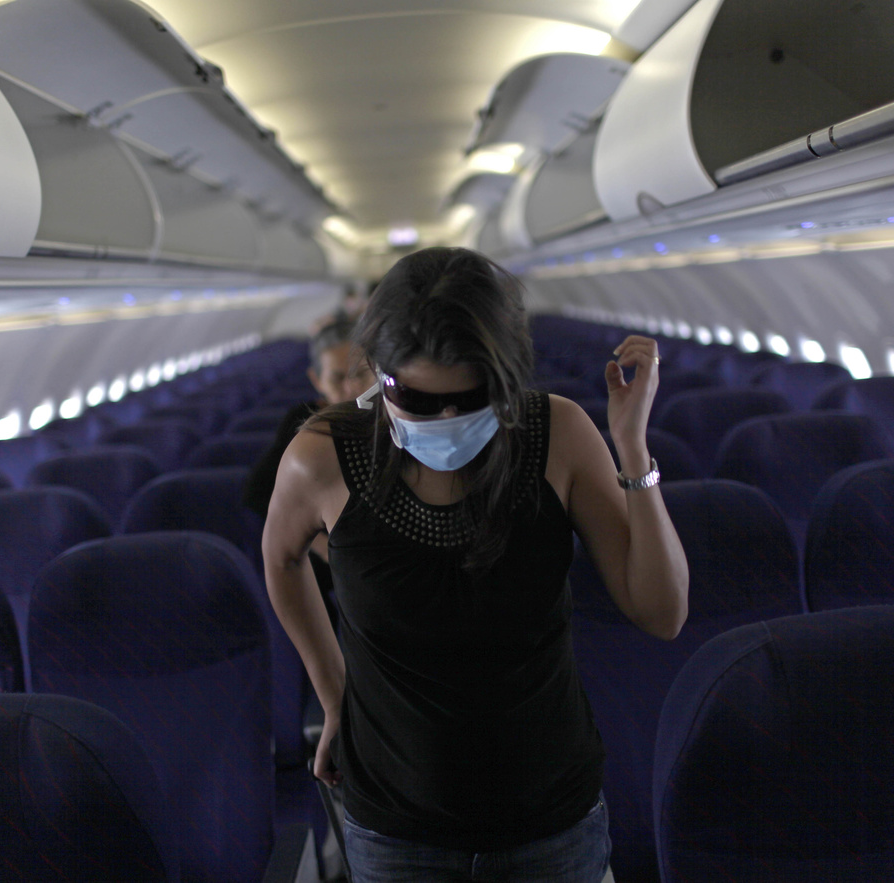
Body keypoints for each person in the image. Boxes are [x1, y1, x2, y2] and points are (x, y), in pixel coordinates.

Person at [262, 247, 688, 882]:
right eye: (416, 398)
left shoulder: (558, 435)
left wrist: (631, 447)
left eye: (472, 397)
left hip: (551, 818)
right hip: (395, 823)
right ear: (376, 373)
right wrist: (335, 695)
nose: (447, 419)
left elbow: (661, 613)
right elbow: (282, 559)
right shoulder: (322, 456)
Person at [241, 315, 374, 524]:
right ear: (317, 380)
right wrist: (313, 545)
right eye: (337, 378)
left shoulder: (395, 417)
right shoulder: (304, 421)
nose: (351, 388)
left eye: (359, 374)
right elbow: (258, 494)